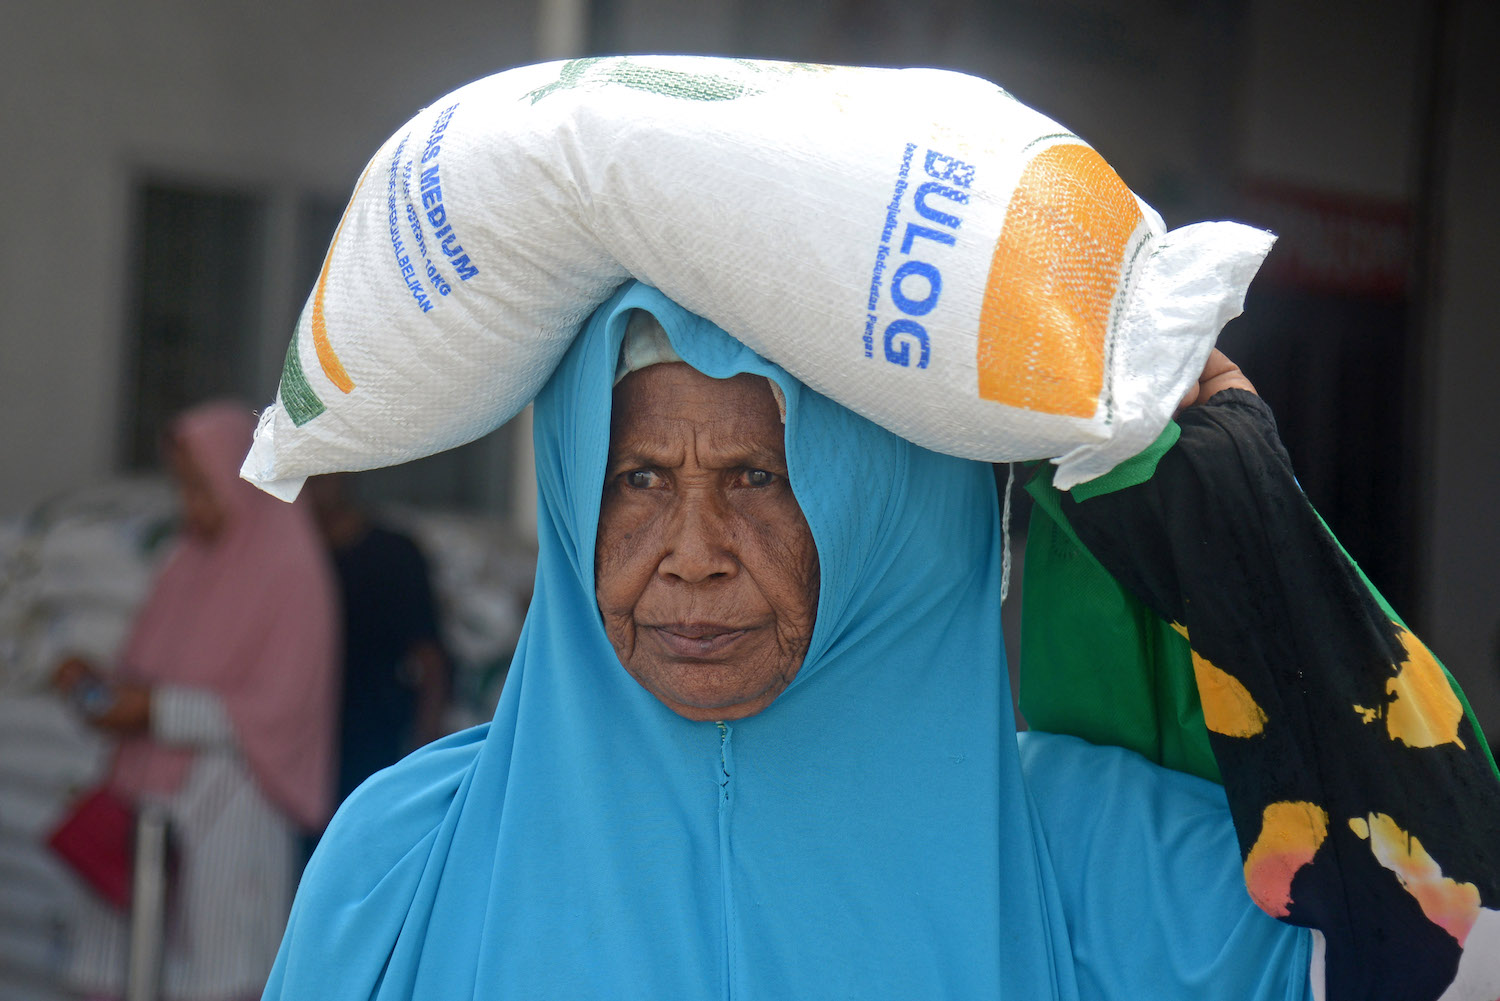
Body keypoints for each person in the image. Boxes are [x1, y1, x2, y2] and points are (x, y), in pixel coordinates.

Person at [263, 283, 1499, 1000]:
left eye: (759, 473)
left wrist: (1240, 515)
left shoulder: (1074, 852)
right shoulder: (405, 860)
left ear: (894, 503)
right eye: (639, 476)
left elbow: (1450, 947)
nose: (691, 548)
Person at [51, 401, 339, 1001]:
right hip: (146, 801)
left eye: (202, 488)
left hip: (231, 805)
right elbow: (147, 671)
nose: (191, 507)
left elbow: (280, 710)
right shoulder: (187, 561)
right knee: (122, 969)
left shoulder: (292, 571)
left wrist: (155, 710)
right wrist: (95, 684)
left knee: (216, 976)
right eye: (183, 488)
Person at [304, 473, 451, 805]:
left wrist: (422, 756)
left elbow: (429, 659)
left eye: (320, 475)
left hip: (373, 737)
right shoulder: (284, 558)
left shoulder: (392, 554)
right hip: (298, 746)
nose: (310, 488)